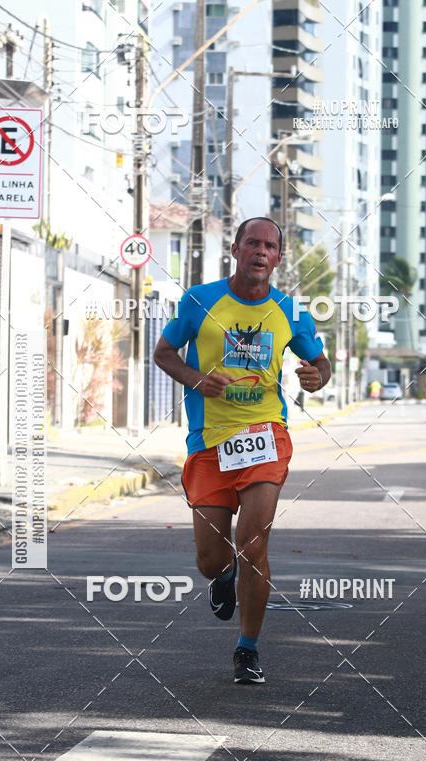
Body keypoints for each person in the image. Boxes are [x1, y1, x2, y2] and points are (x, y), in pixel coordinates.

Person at [154, 217, 331, 684]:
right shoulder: (200, 301)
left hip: (266, 438)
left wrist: (317, 376)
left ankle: (247, 649)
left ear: (278, 257)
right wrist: (197, 380)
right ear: (234, 250)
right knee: (211, 559)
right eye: (252, 242)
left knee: (254, 540)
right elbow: (163, 352)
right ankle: (223, 576)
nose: (260, 251)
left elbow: (319, 361)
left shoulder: (289, 309)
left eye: (269, 246)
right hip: (210, 442)